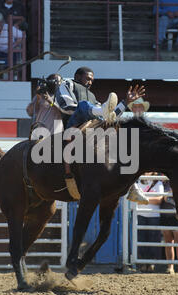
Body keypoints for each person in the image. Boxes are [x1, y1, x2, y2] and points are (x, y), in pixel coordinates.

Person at [54, 66, 148, 204]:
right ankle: (100, 111)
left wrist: (126, 102)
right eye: (88, 79)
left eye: (92, 80)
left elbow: (110, 116)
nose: (90, 82)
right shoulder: (68, 84)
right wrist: (90, 110)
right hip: (74, 125)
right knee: (84, 106)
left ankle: (133, 186)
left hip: (93, 126)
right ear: (78, 77)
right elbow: (65, 106)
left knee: (120, 134)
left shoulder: (92, 97)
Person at [136, 172, 164, 273]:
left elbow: (159, 200)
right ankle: (143, 262)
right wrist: (150, 199)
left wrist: (143, 199)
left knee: (153, 239)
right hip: (141, 214)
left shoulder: (158, 183)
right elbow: (135, 199)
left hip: (154, 215)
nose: (147, 173)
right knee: (141, 239)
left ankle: (151, 263)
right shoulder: (138, 182)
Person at [159, 178, 178, 274]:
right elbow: (161, 198)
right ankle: (170, 267)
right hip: (165, 214)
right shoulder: (162, 182)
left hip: (177, 214)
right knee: (168, 242)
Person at [26, 73, 63, 139]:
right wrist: (38, 97)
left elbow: (62, 112)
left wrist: (50, 101)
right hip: (39, 134)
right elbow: (30, 112)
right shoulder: (40, 97)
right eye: (54, 81)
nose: (56, 84)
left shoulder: (63, 97)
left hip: (55, 135)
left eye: (58, 81)